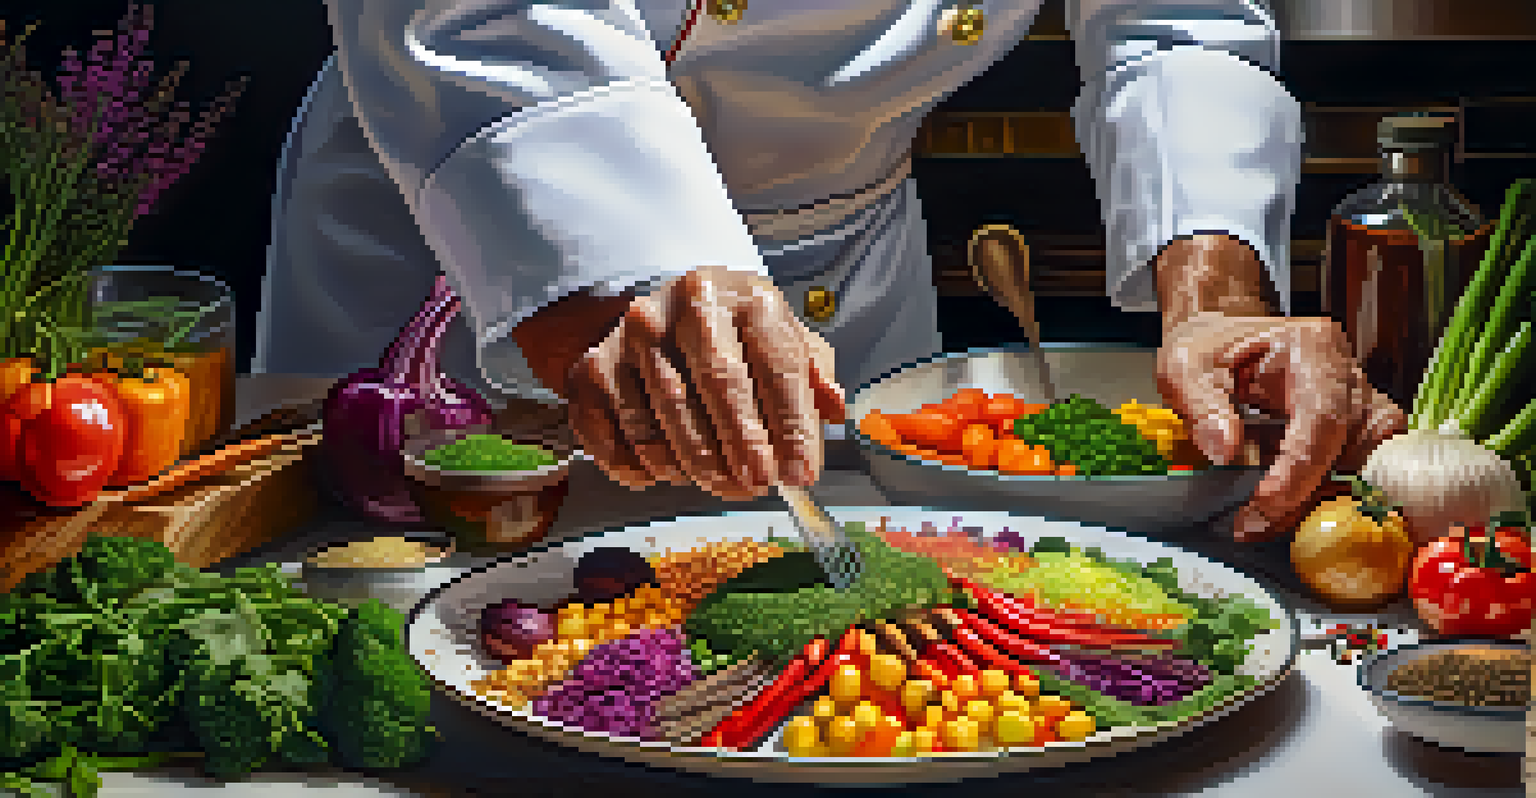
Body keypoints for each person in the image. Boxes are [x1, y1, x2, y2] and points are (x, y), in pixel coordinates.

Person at [254, 0, 1405, 543]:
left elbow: (1180, 14)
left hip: (847, 268)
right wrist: (623, 269)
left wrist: (1217, 300)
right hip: (489, 225)